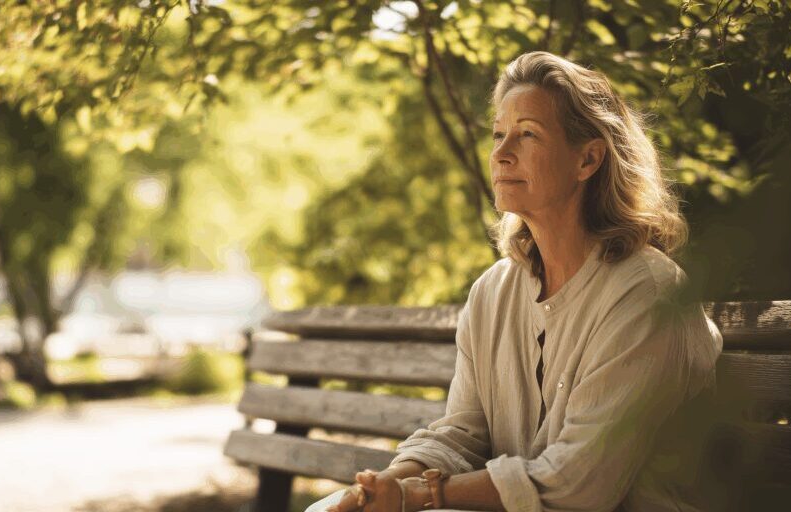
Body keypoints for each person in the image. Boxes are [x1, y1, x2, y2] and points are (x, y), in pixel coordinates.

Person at [305, 51, 723, 512]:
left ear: (587, 160)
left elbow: (576, 484)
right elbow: (462, 434)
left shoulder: (648, 293)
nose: (501, 154)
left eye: (527, 134)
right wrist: (378, 490)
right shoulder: (493, 291)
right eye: (499, 134)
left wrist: (418, 495)